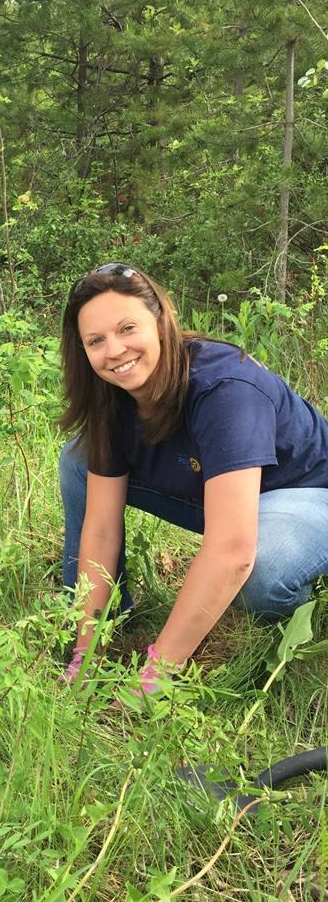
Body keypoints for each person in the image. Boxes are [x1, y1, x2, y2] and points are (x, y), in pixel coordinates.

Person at [58, 264, 328, 690]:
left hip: (307, 490)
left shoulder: (224, 387)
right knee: (79, 461)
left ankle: (285, 624)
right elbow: (102, 530)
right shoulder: (110, 398)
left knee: (261, 568)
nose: (115, 351)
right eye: (96, 341)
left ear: (161, 320)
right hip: (228, 491)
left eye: (128, 328)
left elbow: (233, 551)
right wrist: (84, 653)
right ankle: (102, 620)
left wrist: (153, 677)